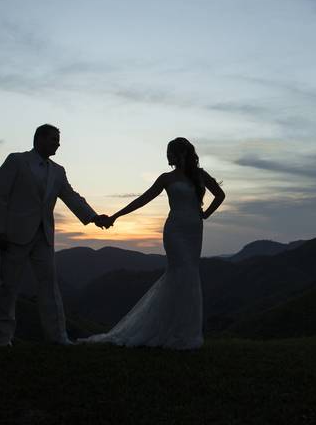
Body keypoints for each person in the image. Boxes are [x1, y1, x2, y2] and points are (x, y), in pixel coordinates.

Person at [78, 137, 225, 350]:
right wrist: (116, 215)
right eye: (168, 153)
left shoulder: (200, 175)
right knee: (181, 272)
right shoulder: (166, 178)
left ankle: (183, 331)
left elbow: (220, 195)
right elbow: (142, 199)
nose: (168, 156)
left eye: (171, 152)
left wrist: (206, 214)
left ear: (183, 153)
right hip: (175, 230)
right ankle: (168, 331)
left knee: (189, 275)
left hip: (194, 230)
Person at [0, 123, 111, 346]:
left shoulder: (58, 171)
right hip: (14, 235)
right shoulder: (16, 161)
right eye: (54, 139)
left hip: (43, 236)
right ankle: (3, 339)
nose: (58, 144)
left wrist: (94, 217)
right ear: (39, 139)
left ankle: (58, 338)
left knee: (49, 287)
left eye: (58, 139)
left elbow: (72, 197)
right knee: (9, 287)